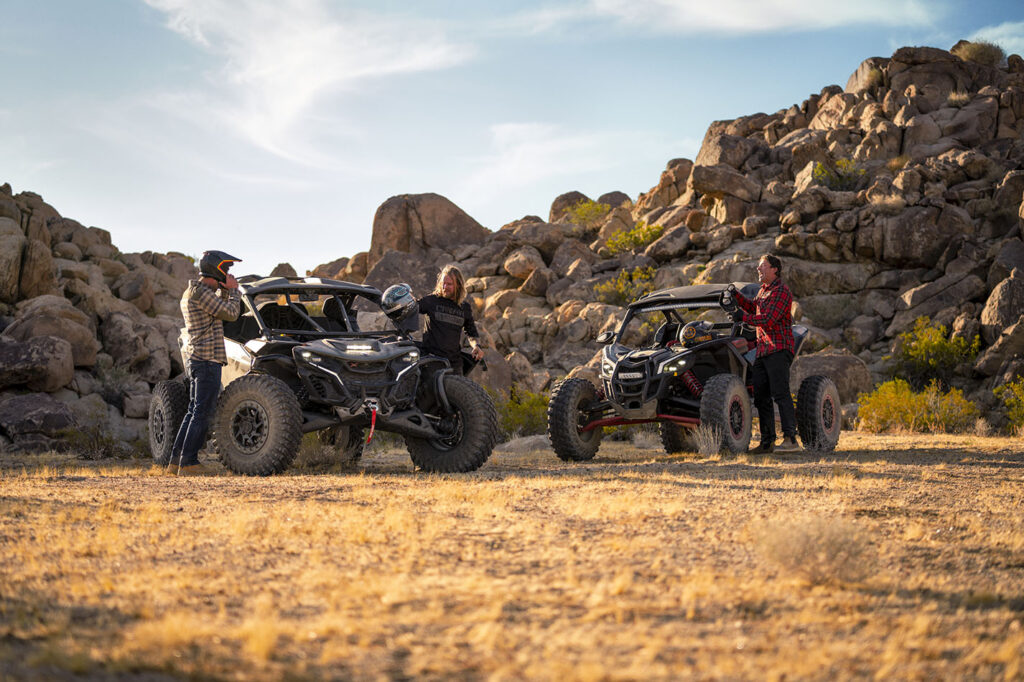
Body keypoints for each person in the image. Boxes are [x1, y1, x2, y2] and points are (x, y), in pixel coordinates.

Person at [167, 250, 242, 475]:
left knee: (193, 410)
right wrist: (234, 291)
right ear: (216, 269)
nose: (228, 274)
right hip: (207, 360)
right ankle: (189, 463)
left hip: (198, 359)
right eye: (226, 270)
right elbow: (230, 313)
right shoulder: (202, 294)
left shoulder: (193, 292)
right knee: (202, 412)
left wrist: (226, 291)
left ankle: (175, 461)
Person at [730, 254, 800, 453]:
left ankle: (790, 440)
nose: (758, 270)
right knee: (760, 398)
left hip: (778, 349)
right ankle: (767, 442)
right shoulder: (763, 291)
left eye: (762, 267)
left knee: (781, 393)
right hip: (762, 350)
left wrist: (742, 316)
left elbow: (768, 319)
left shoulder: (782, 291)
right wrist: (736, 297)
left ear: (774, 269)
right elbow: (754, 307)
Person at [415, 265, 484, 376]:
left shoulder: (464, 307)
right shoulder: (431, 301)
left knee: (460, 393)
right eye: (443, 283)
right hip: (431, 361)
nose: (445, 287)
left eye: (449, 284)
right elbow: (413, 308)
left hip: (454, 365)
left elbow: (471, 331)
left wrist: (476, 346)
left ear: (459, 285)